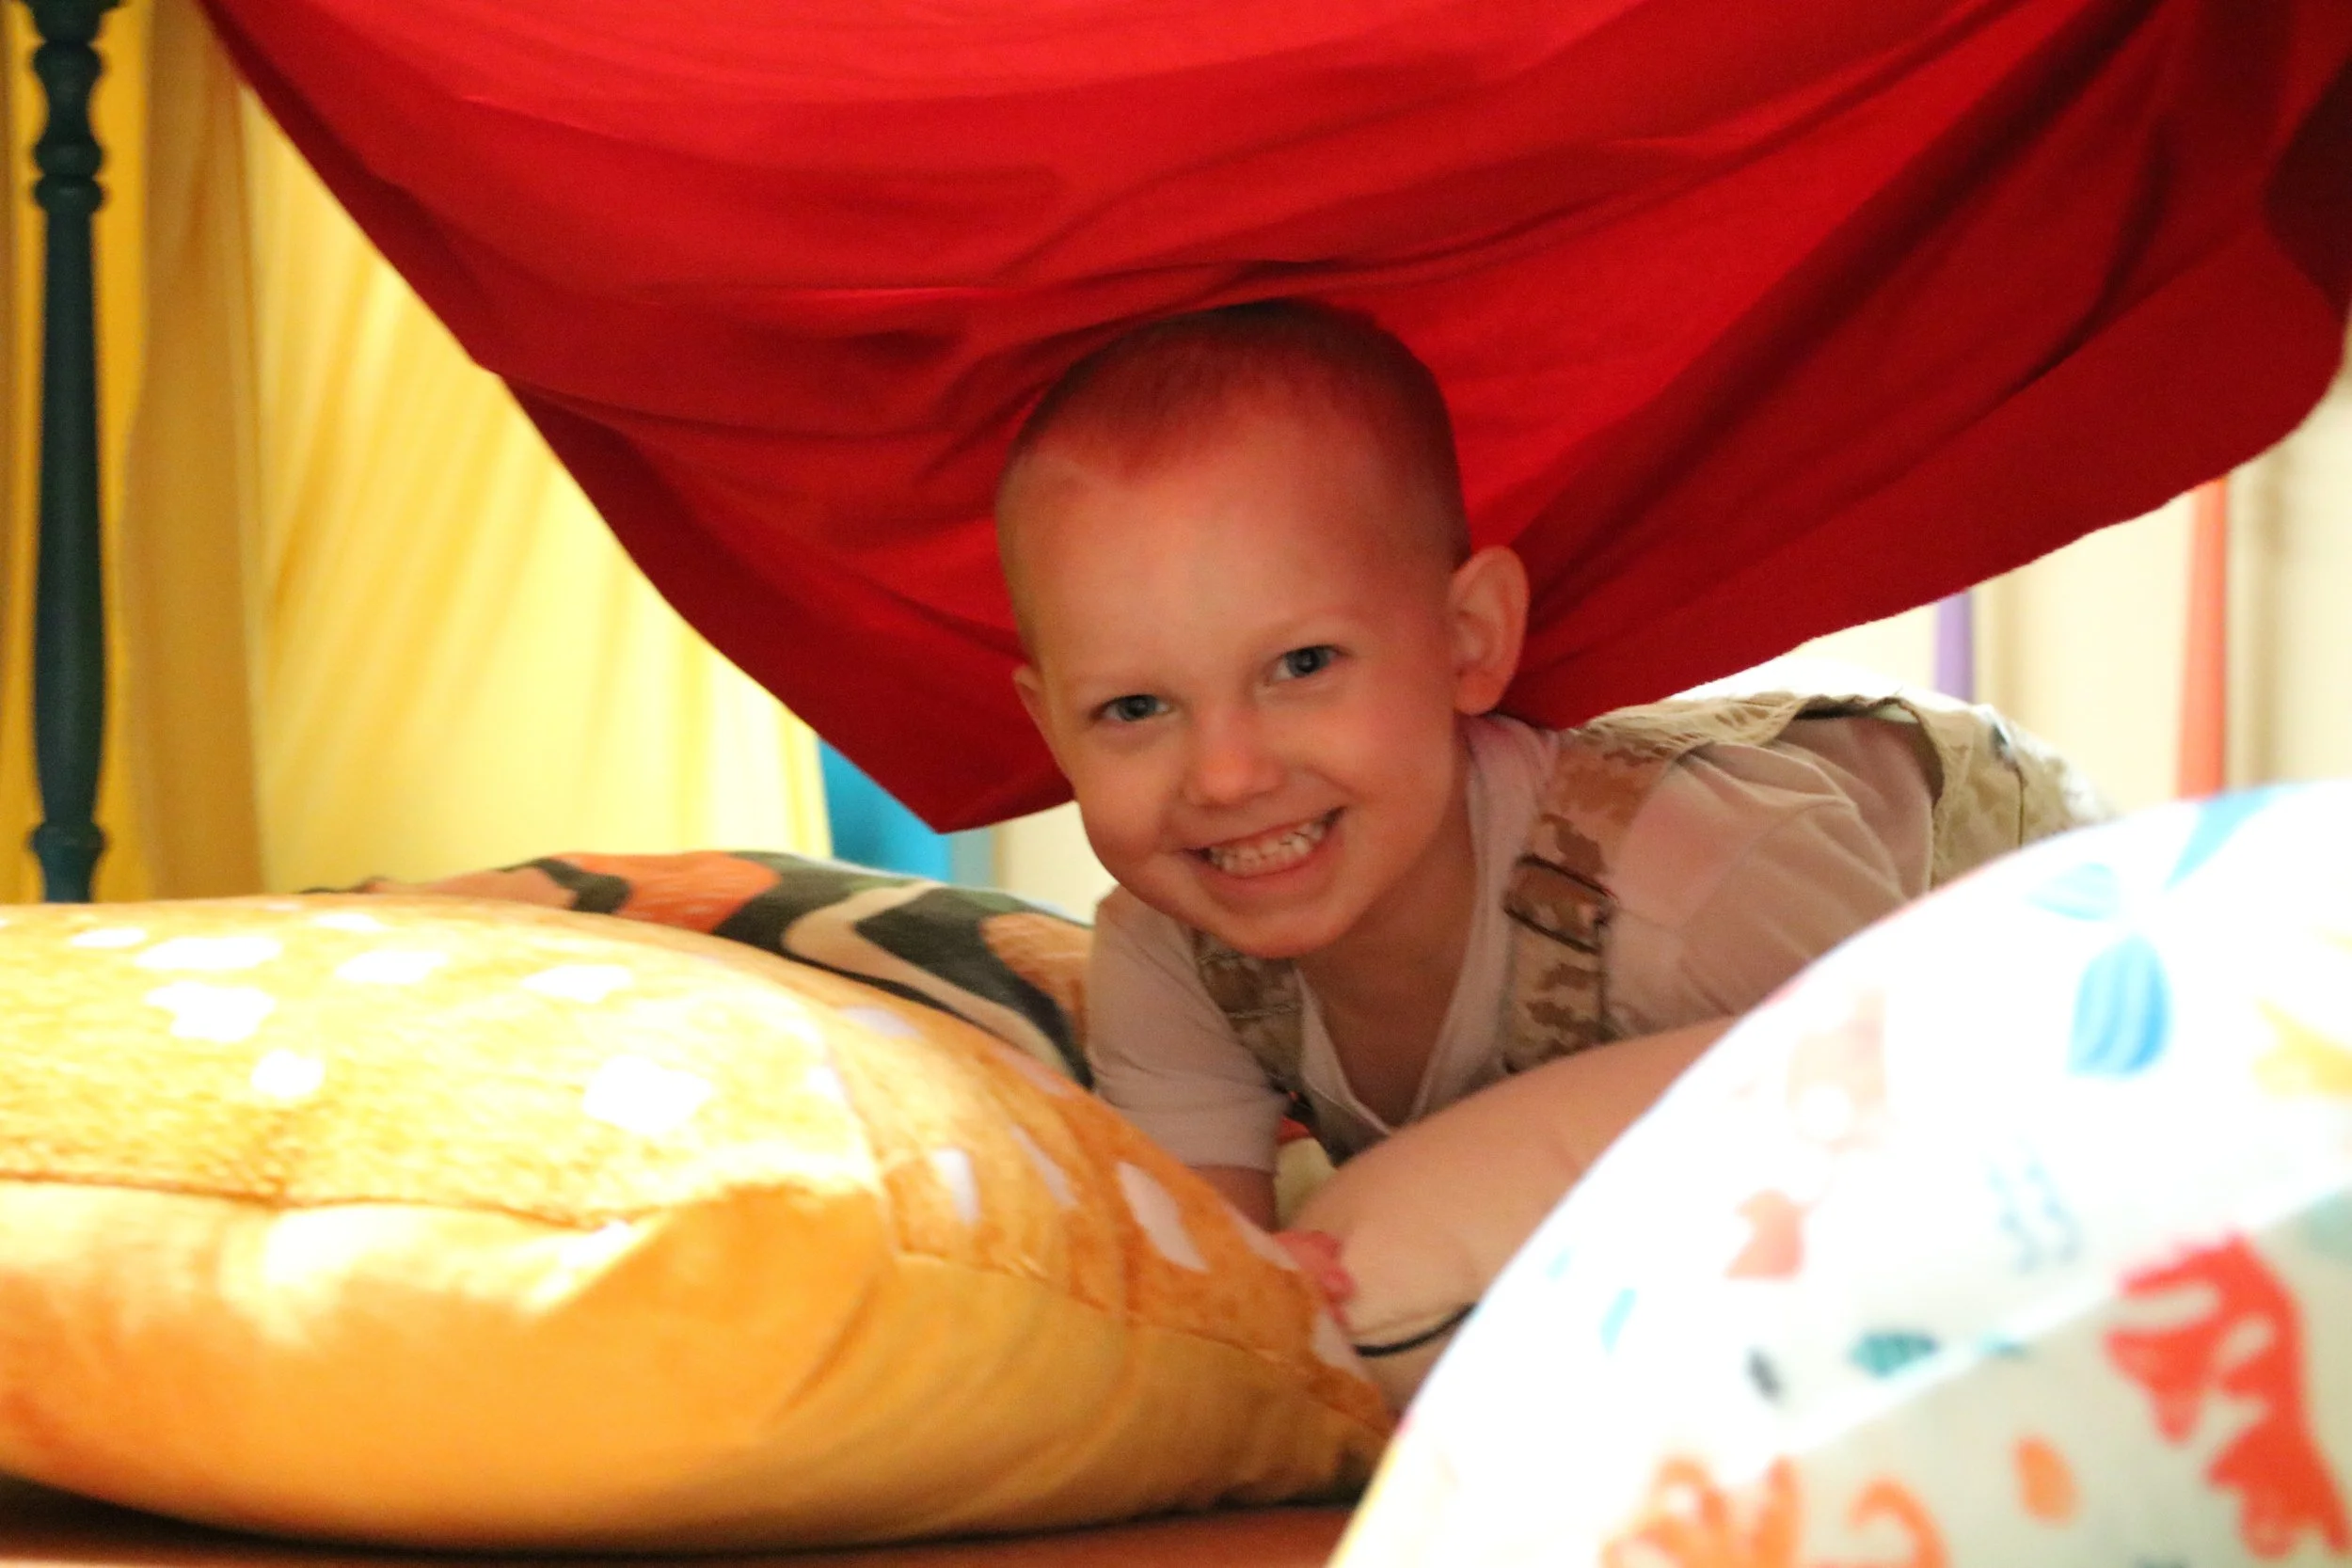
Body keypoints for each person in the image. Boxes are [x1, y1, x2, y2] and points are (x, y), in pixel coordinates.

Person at [995, 300, 2097, 1241]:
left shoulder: (1696, 891)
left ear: (1468, 639)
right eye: (1134, 707)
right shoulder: (1171, 952)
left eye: (1302, 664)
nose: (1226, 774)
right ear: (1050, 728)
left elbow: (1945, 1181)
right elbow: (1214, 1312)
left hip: (1999, 881)